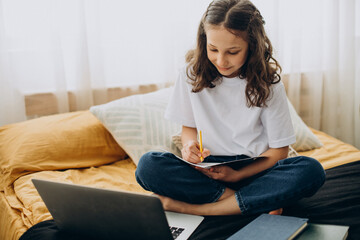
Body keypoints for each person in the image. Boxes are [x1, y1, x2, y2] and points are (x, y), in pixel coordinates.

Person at [135, 0, 325, 216]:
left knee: (311, 170)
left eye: (233, 52)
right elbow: (188, 129)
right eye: (213, 49)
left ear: (252, 46)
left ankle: (199, 208)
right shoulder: (190, 74)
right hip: (209, 169)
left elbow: (279, 152)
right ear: (203, 41)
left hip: (255, 168)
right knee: (148, 166)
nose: (221, 60)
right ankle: (251, 200)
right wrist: (189, 148)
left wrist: (237, 176)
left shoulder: (269, 84)